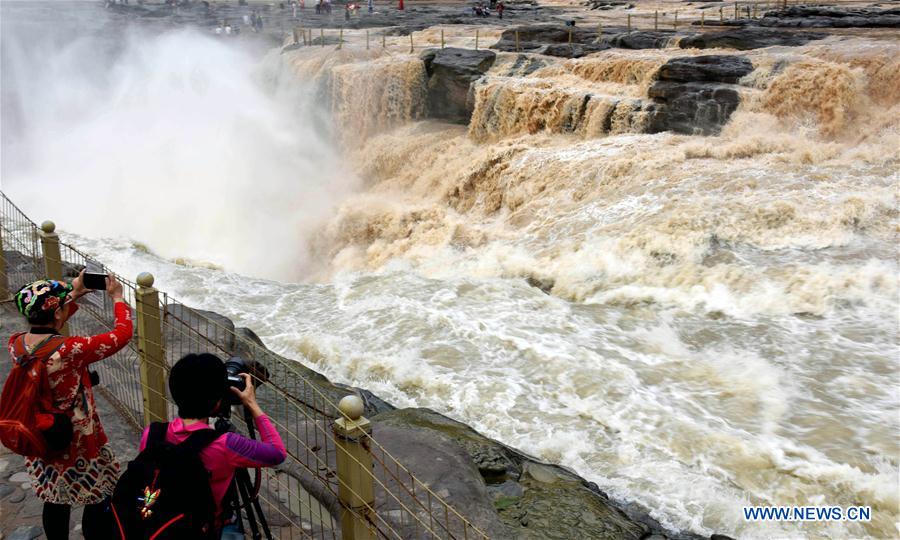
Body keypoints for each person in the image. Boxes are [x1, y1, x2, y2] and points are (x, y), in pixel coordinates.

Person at [9, 273, 134, 539]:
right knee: (97, 494)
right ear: (57, 314)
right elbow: (122, 335)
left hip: (41, 433)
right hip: (77, 439)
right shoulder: (71, 349)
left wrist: (72, 295)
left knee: (55, 497)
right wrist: (118, 298)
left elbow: (50, 322)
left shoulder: (16, 344)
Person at [138, 353, 286, 534]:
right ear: (218, 403)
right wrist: (251, 403)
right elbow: (277, 453)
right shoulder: (227, 445)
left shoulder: (152, 433)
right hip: (202, 531)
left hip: (155, 524)